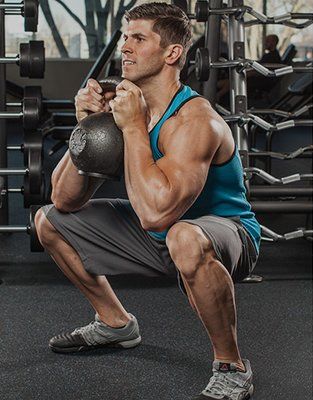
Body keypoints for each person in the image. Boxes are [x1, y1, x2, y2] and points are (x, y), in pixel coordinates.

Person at [34, 3, 261, 399]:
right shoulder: (125, 111)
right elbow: (64, 200)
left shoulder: (195, 121)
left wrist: (134, 128)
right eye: (125, 37)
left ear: (172, 53)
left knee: (183, 238)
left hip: (225, 234)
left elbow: (159, 214)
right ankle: (116, 324)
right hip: (156, 234)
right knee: (49, 220)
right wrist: (87, 127)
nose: (125, 47)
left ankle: (232, 365)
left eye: (138, 39)